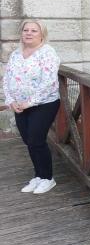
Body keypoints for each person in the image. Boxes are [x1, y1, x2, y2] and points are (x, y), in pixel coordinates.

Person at [2, 20, 61, 194]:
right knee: (29, 141)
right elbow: (7, 79)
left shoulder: (48, 52)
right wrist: (11, 100)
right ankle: (38, 176)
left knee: (36, 140)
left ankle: (48, 178)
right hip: (20, 105)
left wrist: (30, 102)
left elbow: (49, 82)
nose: (29, 33)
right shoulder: (16, 54)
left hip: (44, 103)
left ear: (42, 34)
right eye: (25, 30)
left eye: (34, 30)